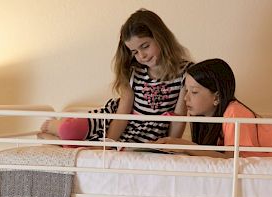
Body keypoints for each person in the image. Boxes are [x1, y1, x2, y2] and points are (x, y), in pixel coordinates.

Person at [41, 9, 192, 145]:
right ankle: (55, 126)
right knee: (70, 129)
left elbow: (178, 117)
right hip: (116, 119)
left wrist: (171, 146)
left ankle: (57, 140)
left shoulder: (185, 72)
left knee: (78, 146)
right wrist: (109, 144)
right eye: (135, 52)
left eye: (145, 46)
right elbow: (122, 114)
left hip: (147, 133)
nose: (142, 55)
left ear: (161, 37)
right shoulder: (134, 72)